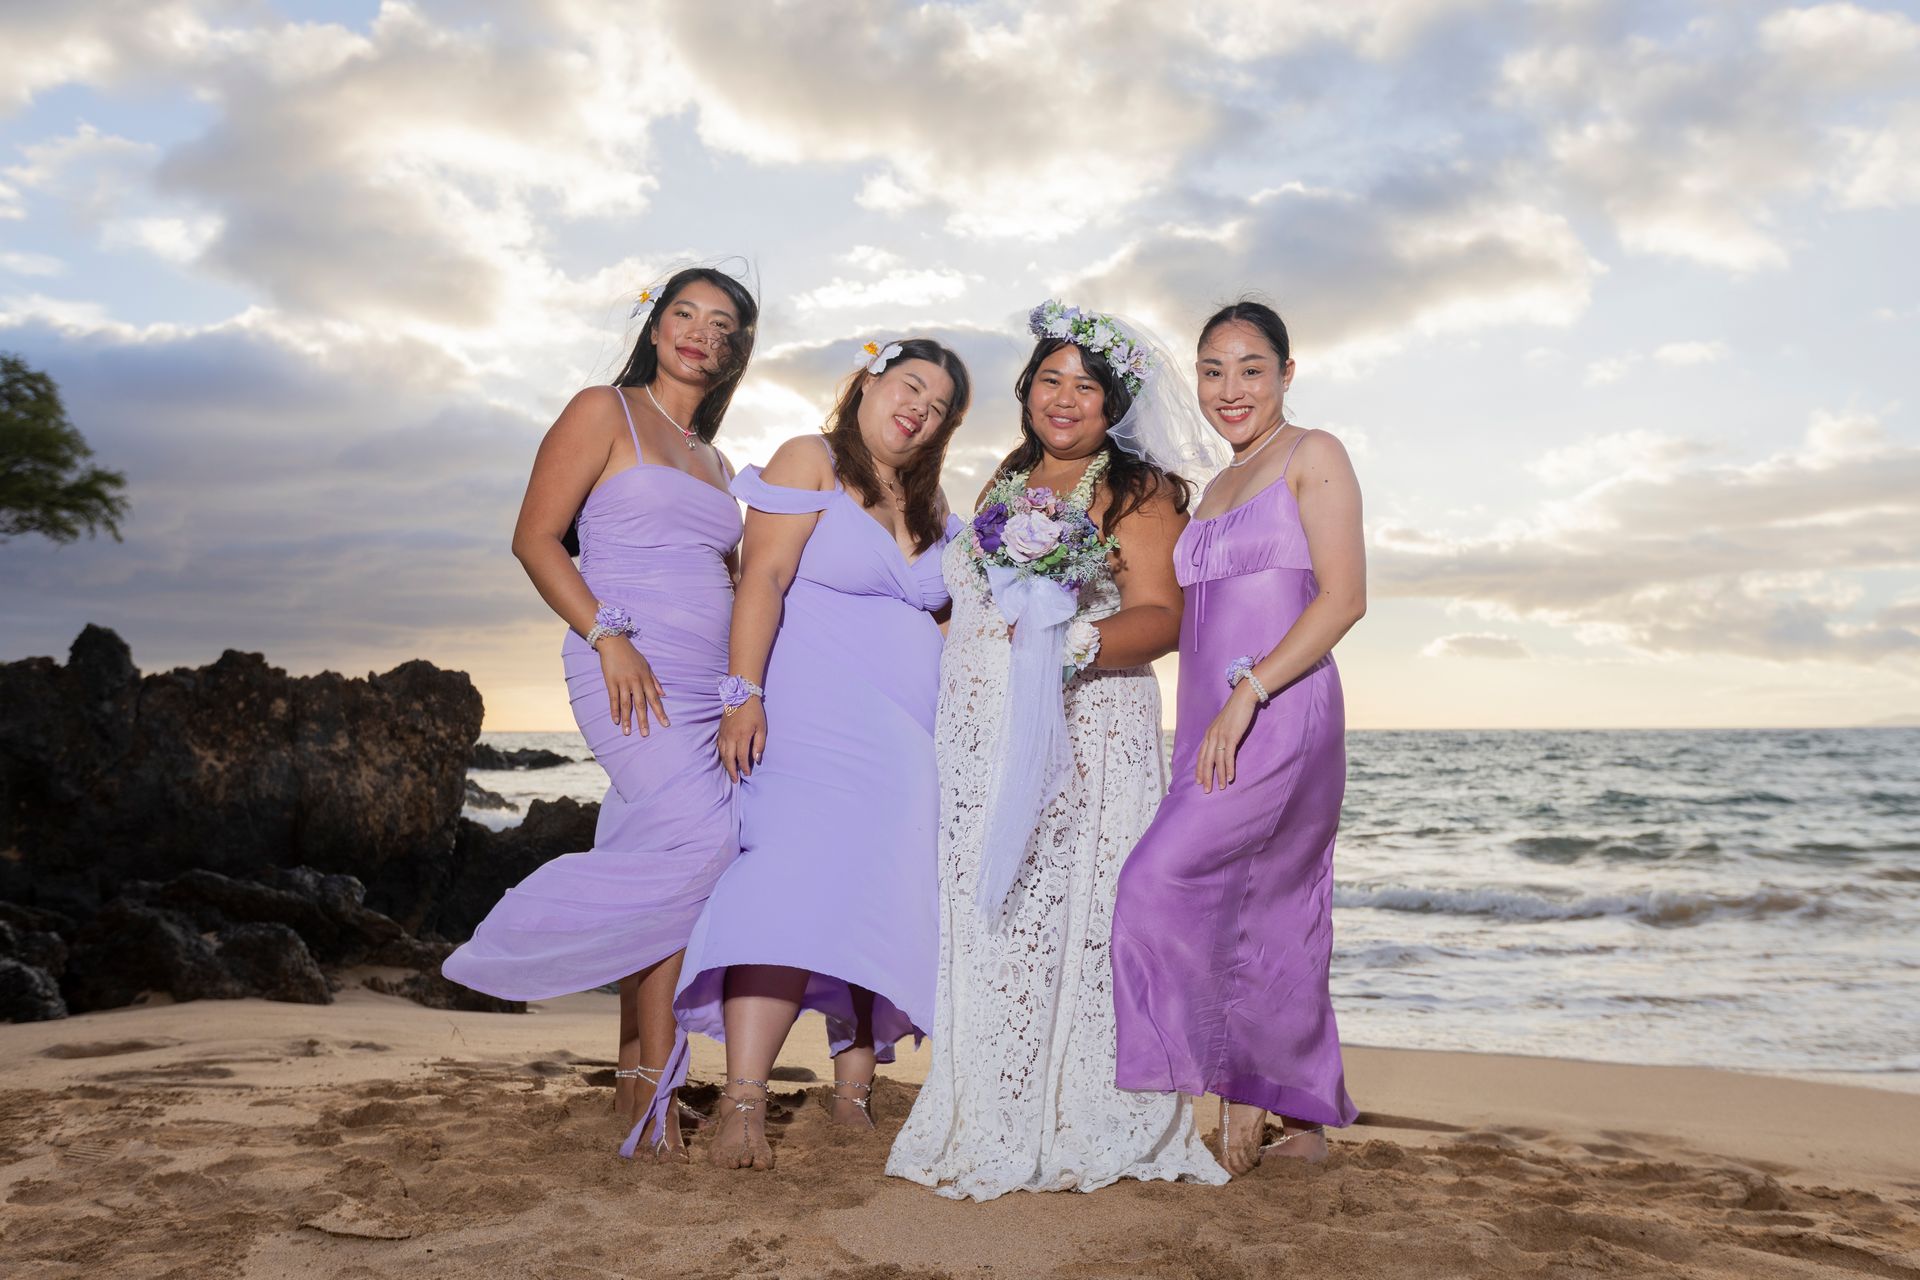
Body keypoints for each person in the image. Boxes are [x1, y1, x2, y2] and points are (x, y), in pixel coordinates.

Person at [887, 302, 1229, 1200]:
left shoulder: (1140, 491)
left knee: (1072, 924)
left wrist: (1070, 648)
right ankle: (990, 1106)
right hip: (981, 736)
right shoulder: (1004, 480)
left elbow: (1161, 616)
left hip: (1088, 729)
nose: (1065, 398)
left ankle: (1079, 1115)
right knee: (990, 920)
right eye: (1051, 379)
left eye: (1087, 384)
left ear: (1114, 402)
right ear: (1027, 387)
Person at [441, 266, 757, 1158]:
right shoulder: (602, 411)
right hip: (627, 669)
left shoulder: (717, 461)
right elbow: (534, 536)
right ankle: (655, 1096)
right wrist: (608, 634)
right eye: (684, 315)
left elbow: (732, 578)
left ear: (735, 349)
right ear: (656, 328)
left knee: (656, 854)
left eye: (721, 324)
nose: (700, 332)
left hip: (707, 684)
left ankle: (631, 1091)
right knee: (701, 847)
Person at [673, 337, 972, 1171]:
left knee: (882, 894)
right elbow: (761, 578)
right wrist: (744, 696)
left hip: (910, 736)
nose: (920, 407)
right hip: (811, 718)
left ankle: (851, 1093)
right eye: (911, 385)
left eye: (939, 404)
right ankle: (741, 1102)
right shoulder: (810, 457)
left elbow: (942, 619)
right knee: (787, 888)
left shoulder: (931, 503)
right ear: (870, 382)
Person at [1109, 299, 1365, 1175]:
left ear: (1286, 375)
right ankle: (1279, 1112)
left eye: (1251, 368)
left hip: (1279, 711)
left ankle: (1243, 1094)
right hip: (1210, 726)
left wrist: (1249, 692)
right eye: (1212, 370)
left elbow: (1343, 598)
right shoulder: (1211, 489)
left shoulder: (1313, 454)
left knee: (1155, 880)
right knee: (1261, 910)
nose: (1230, 388)